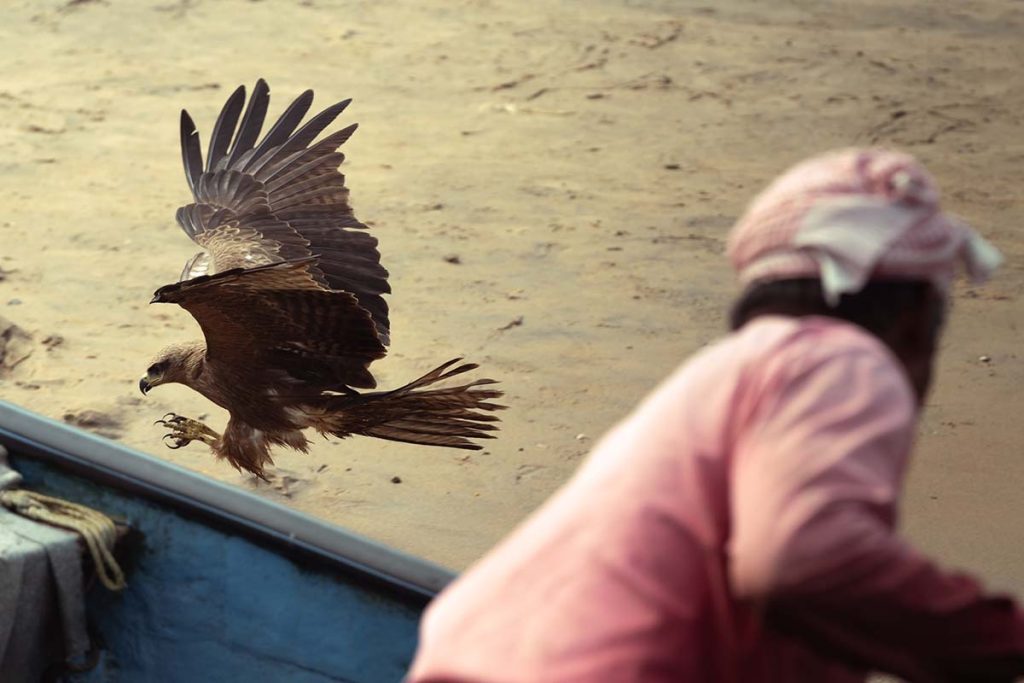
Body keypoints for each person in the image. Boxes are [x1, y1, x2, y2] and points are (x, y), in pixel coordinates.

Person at [407, 149, 1024, 682]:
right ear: (917, 317)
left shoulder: (724, 374)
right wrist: (1001, 640)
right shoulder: (841, 358)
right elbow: (803, 560)